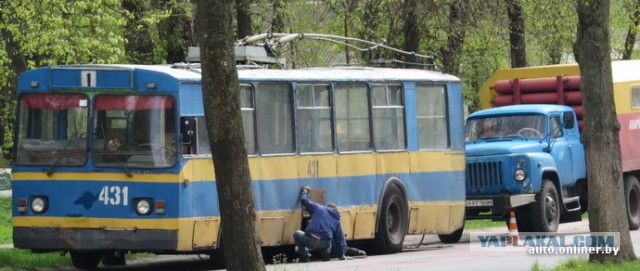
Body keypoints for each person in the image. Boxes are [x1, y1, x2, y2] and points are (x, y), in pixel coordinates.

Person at [294, 186, 347, 262]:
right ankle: (327, 252)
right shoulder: (337, 220)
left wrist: (305, 191)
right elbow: (340, 238)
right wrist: (341, 254)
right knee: (330, 236)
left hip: (311, 241)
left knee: (297, 233)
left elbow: (304, 200)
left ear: (327, 207)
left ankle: (305, 255)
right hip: (325, 243)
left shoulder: (319, 208)